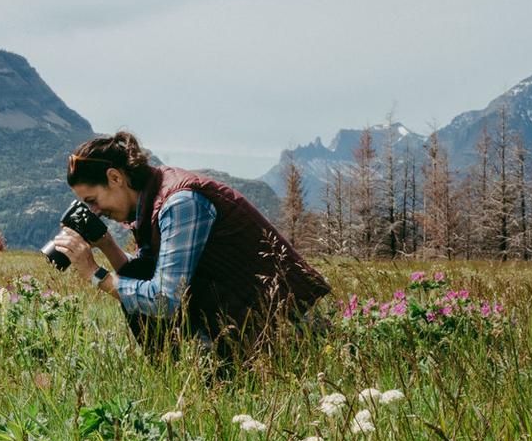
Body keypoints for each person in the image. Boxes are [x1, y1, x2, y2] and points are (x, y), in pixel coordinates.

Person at [48, 131, 329, 354]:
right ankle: (199, 371)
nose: (95, 211)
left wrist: (95, 274)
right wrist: (107, 244)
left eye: (93, 201)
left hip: (286, 327)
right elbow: (146, 273)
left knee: (136, 295)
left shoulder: (179, 202)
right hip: (245, 320)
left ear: (115, 177)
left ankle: (210, 376)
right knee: (132, 283)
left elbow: (164, 300)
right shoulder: (154, 198)